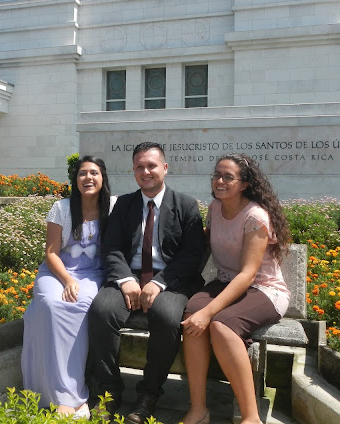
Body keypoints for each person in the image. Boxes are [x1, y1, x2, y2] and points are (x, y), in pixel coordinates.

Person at [87, 142, 205, 424]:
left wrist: (160, 283)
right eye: (139, 166)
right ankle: (109, 391)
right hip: (128, 277)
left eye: (151, 165)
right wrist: (126, 279)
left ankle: (148, 395)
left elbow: (192, 254)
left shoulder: (186, 205)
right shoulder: (124, 204)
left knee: (166, 317)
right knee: (102, 311)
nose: (146, 171)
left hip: (170, 281)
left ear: (165, 168)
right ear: (133, 170)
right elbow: (111, 247)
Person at [179, 153, 291, 424]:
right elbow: (207, 243)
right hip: (226, 283)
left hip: (264, 289)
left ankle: (251, 417)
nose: (220, 181)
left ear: (244, 184)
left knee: (221, 324)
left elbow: (248, 274)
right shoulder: (215, 208)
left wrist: (209, 312)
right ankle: (198, 410)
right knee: (192, 315)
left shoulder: (255, 216)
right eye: (217, 175)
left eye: (228, 177)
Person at [21, 156, 116, 418]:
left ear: (103, 178)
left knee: (81, 305)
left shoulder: (113, 207)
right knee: (51, 305)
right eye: (82, 173)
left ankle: (72, 396)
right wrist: (67, 280)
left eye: (94, 173)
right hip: (57, 272)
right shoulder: (61, 208)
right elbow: (51, 253)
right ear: (75, 180)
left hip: (93, 274)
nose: (88, 178)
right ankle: (55, 395)